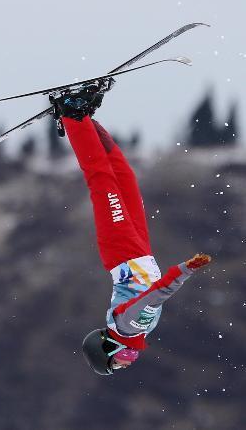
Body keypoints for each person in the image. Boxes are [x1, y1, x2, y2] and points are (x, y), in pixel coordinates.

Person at [49, 82, 212, 376]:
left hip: (122, 251)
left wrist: (184, 270)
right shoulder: (138, 333)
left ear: (108, 347)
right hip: (140, 253)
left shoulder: (128, 326)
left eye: (121, 358)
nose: (130, 358)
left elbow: (155, 295)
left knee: (102, 181)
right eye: (128, 361)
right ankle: (87, 119)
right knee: (125, 179)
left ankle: (72, 115)